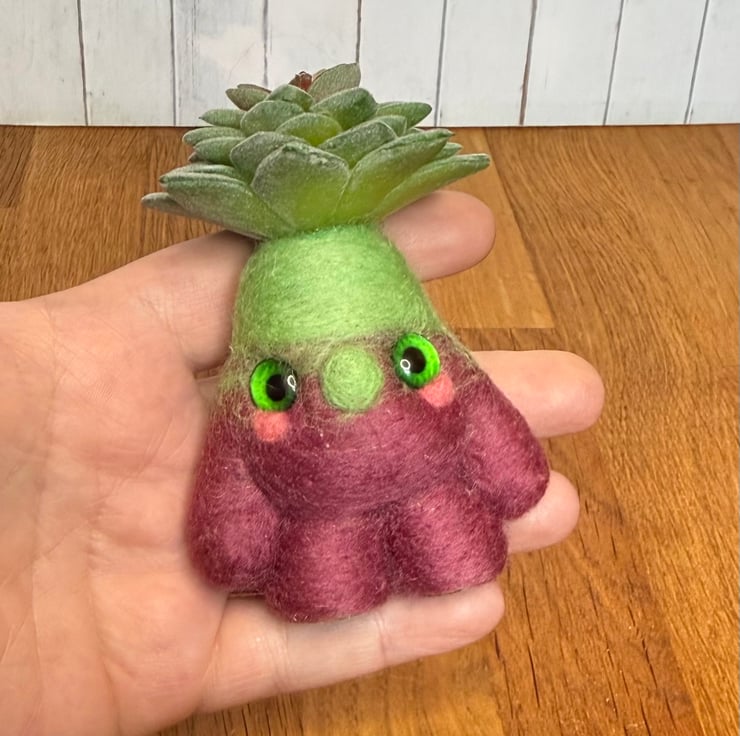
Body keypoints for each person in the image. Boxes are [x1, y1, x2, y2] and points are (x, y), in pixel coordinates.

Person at [0, 192, 603, 736]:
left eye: (410, 361)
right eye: (280, 386)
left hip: (431, 499)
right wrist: (232, 540)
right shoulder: (256, 371)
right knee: (331, 571)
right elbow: (235, 455)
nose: (348, 388)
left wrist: (512, 470)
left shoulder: (414, 347)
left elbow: (475, 403)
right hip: (321, 527)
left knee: (446, 543)